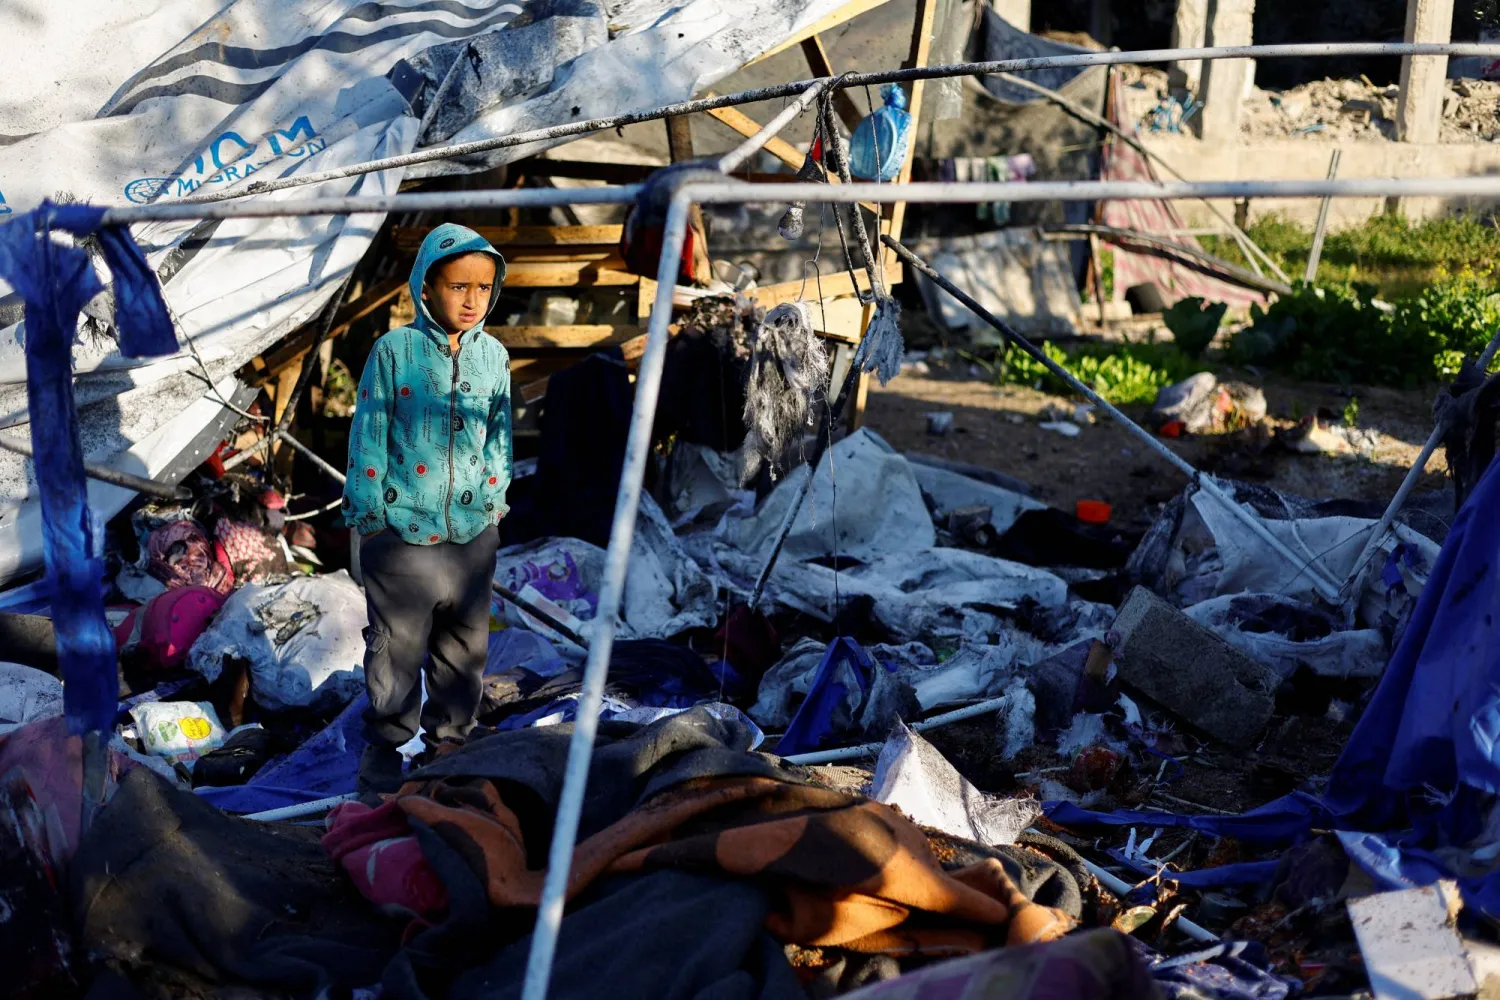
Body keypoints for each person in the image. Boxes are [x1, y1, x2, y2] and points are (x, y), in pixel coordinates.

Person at [342, 223, 511, 795]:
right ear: (426, 287)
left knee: (464, 647)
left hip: (470, 534)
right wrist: (370, 516)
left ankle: (450, 743)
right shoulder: (395, 353)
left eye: (484, 288)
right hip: (402, 533)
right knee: (396, 648)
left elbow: (500, 437)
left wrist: (494, 501)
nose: (472, 299)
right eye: (458, 286)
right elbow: (369, 432)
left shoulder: (493, 357)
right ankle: (385, 753)